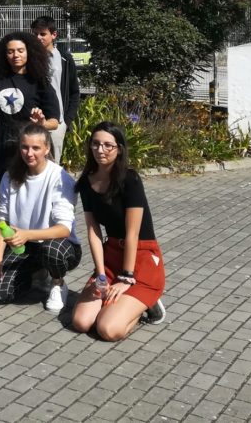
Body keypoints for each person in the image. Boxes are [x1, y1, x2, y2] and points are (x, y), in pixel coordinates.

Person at [72, 123, 166, 339]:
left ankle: (146, 306)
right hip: (111, 256)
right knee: (82, 322)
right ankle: (118, 303)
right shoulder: (87, 182)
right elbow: (93, 231)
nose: (100, 150)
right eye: (95, 144)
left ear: (119, 149)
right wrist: (101, 275)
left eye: (108, 145)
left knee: (108, 329)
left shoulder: (130, 180)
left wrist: (126, 278)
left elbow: (132, 233)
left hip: (140, 258)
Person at [0, 124, 81, 312]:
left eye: (36, 148)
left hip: (59, 244)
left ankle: (57, 283)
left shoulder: (60, 178)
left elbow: (64, 229)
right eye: (24, 147)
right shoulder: (9, 176)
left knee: (51, 250)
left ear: (47, 149)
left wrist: (27, 234)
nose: (29, 153)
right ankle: (35, 273)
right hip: (24, 245)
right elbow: (2, 221)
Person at [0, 31, 60, 225]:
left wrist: (41, 125)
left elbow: (55, 121)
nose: (15, 55)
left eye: (20, 50)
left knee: (32, 194)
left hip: (32, 141)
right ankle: (0, 248)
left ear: (29, 52)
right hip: (2, 141)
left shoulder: (40, 81)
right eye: (10, 51)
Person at [30, 15, 81, 163]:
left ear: (54, 35)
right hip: (34, 120)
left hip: (57, 123)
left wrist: (67, 120)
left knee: (53, 165)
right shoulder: (29, 59)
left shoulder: (65, 59)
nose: (38, 37)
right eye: (35, 34)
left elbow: (74, 91)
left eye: (42, 34)